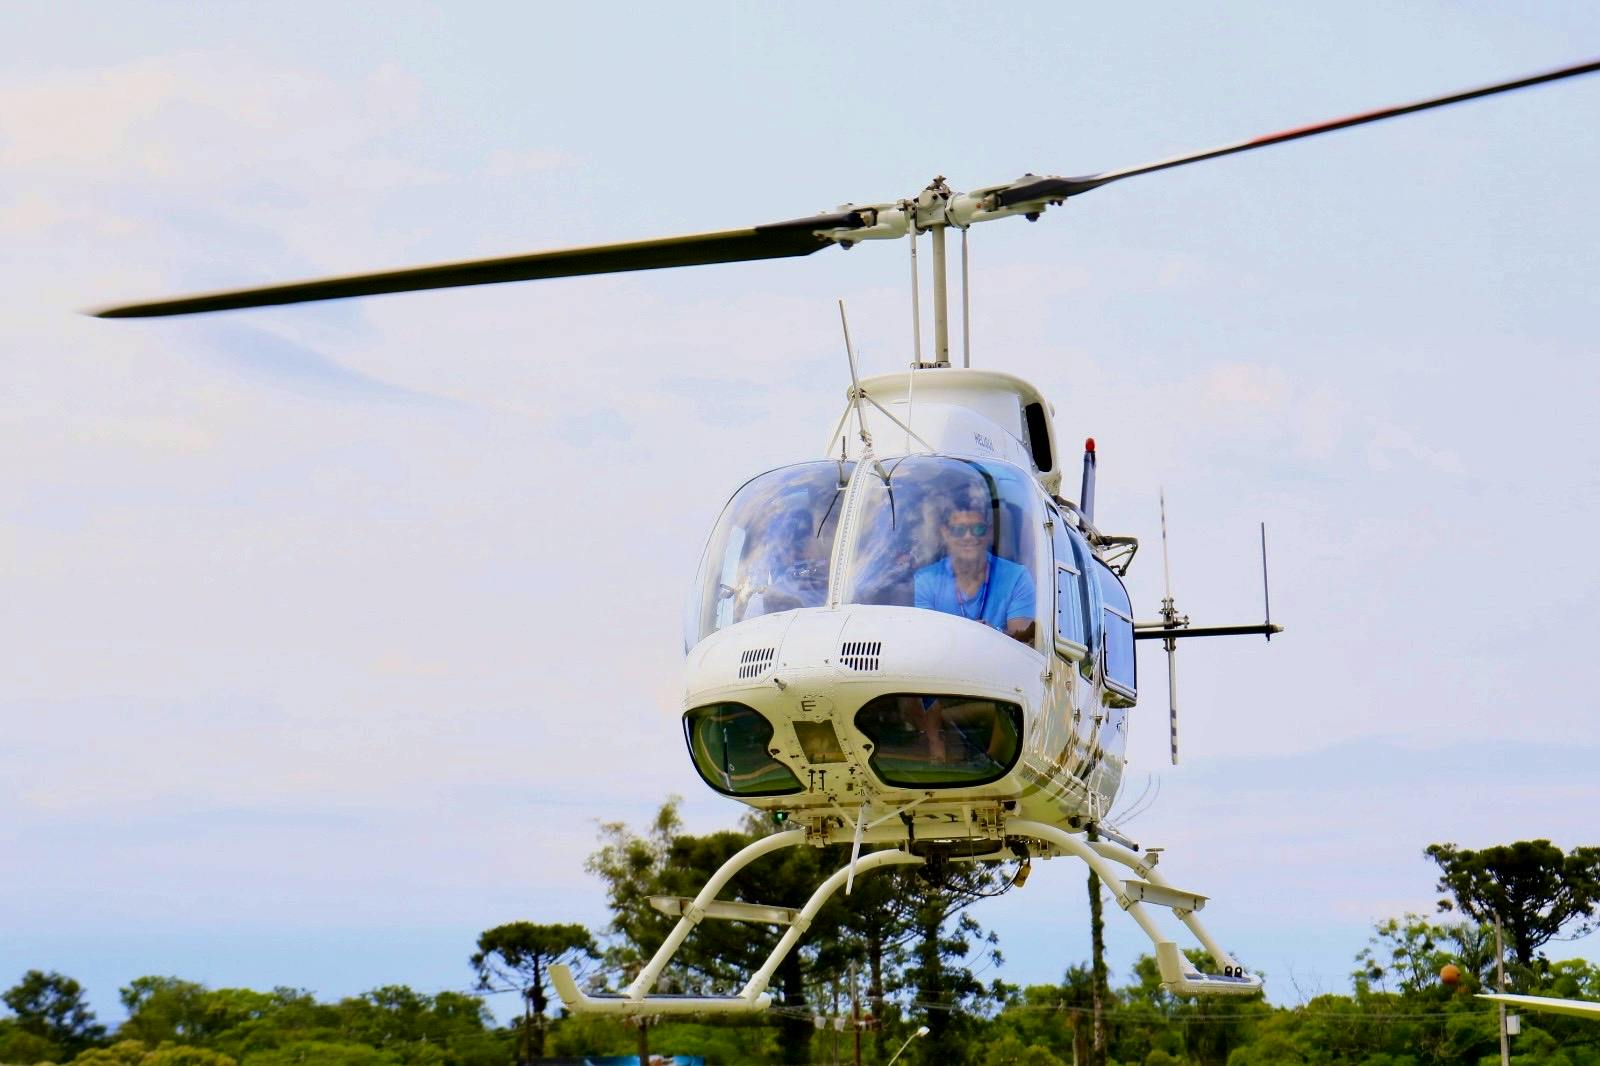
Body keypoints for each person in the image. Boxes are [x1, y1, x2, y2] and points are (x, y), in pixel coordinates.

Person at [914, 497, 1036, 644]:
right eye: (959, 530)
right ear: (945, 533)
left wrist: (994, 633)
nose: (969, 537)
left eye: (979, 529)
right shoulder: (925, 580)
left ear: (990, 533)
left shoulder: (1017, 577)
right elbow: (924, 639)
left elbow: (1024, 643)